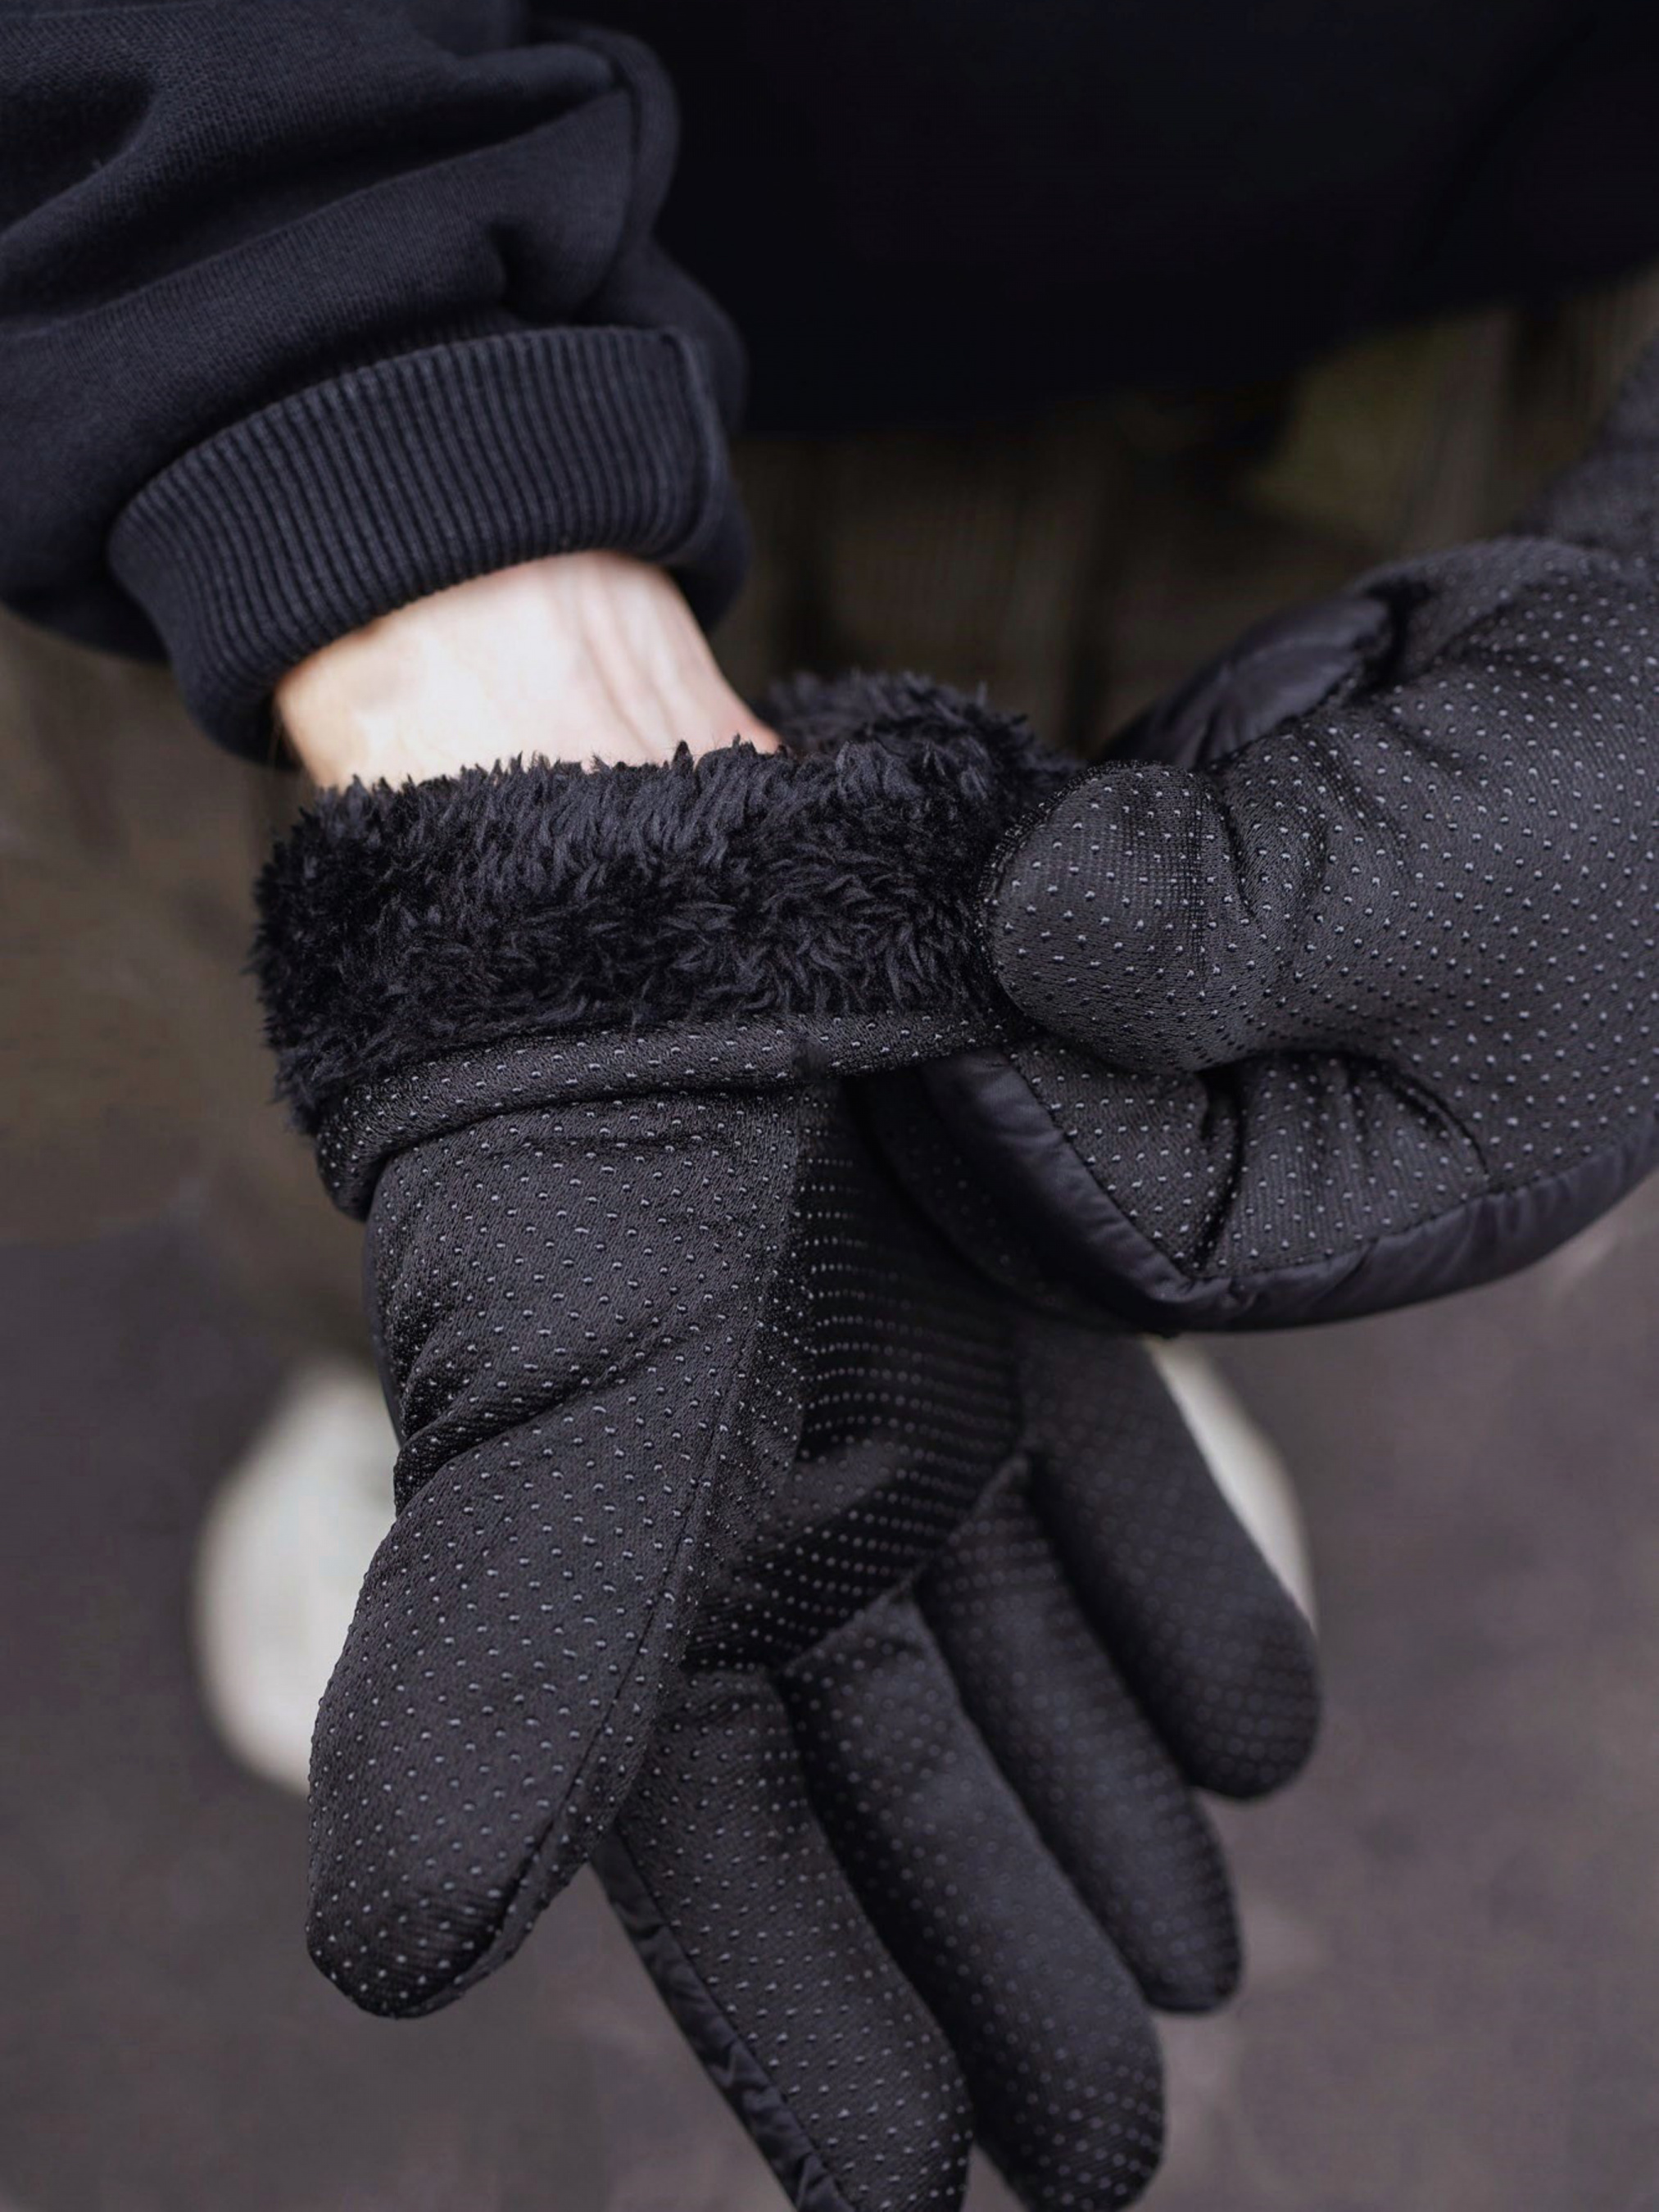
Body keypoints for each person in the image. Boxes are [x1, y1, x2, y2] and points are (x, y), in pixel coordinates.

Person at [4, 8, 1658, 2210]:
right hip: (281, 247)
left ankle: (1063, 1289)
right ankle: (388, 1374)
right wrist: (318, 354)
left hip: (1374, 303)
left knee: (1157, 1066)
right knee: (405, 1101)